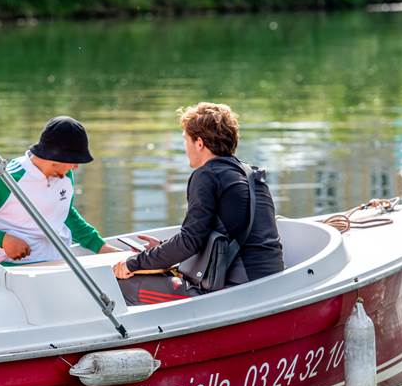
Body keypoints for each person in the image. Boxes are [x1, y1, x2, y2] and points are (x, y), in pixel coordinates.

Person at [113, 102, 284, 304]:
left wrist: (133, 264)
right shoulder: (251, 174)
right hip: (273, 280)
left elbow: (190, 241)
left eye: (186, 140)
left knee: (121, 285)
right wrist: (162, 248)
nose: (185, 147)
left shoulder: (207, 176)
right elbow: (218, 235)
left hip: (238, 290)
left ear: (200, 143)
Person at [0, 116, 121, 264]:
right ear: (55, 157)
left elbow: (65, 215)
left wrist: (100, 247)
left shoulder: (65, 175)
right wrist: (1, 240)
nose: (75, 167)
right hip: (15, 271)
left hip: (63, 264)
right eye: (74, 161)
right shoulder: (6, 180)